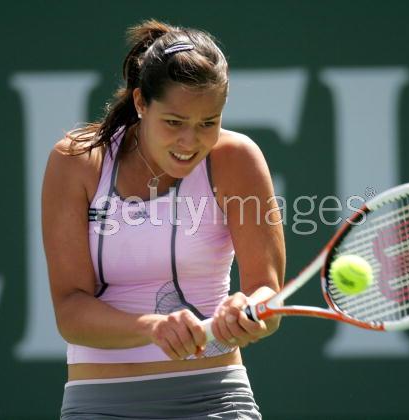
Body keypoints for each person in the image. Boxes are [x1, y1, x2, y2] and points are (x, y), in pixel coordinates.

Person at [42, 18, 285, 419]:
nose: (190, 142)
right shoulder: (77, 161)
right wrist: (152, 328)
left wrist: (247, 310)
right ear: (141, 102)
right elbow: (70, 312)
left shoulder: (237, 159)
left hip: (217, 399)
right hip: (100, 404)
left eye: (208, 123)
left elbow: (266, 291)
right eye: (174, 122)